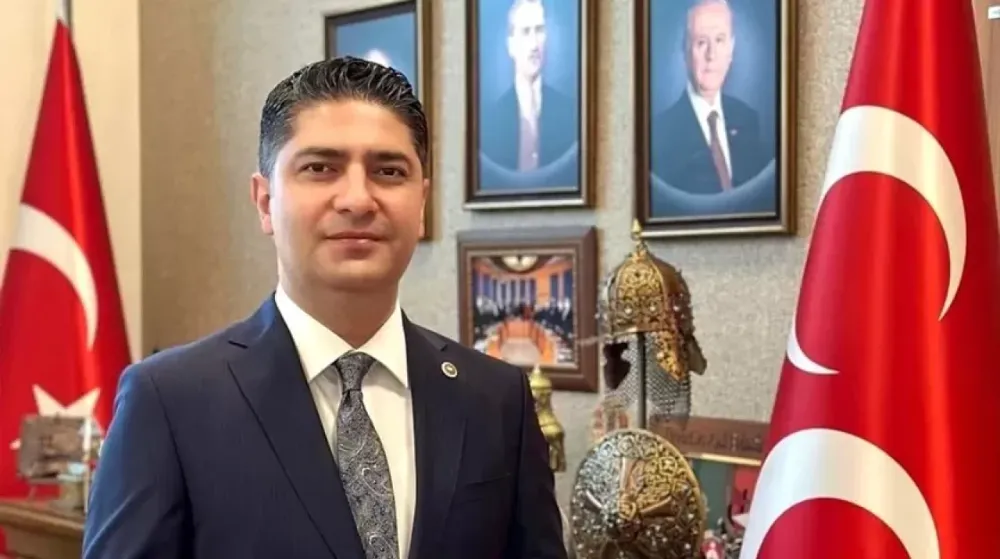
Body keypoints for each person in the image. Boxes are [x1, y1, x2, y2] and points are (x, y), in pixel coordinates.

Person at [82, 56, 566, 559]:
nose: (358, 199)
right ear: (265, 202)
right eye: (320, 168)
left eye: (388, 171)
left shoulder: (496, 400)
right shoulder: (170, 402)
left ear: (421, 203)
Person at [651, 0, 767, 194]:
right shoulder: (660, 133)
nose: (711, 55)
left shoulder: (748, 119)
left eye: (719, 40)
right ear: (685, 51)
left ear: (731, 48)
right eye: (701, 42)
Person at [480, 0, 575, 173]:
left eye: (539, 30)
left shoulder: (570, 113)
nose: (534, 45)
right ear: (511, 45)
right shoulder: (490, 122)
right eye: (525, 32)